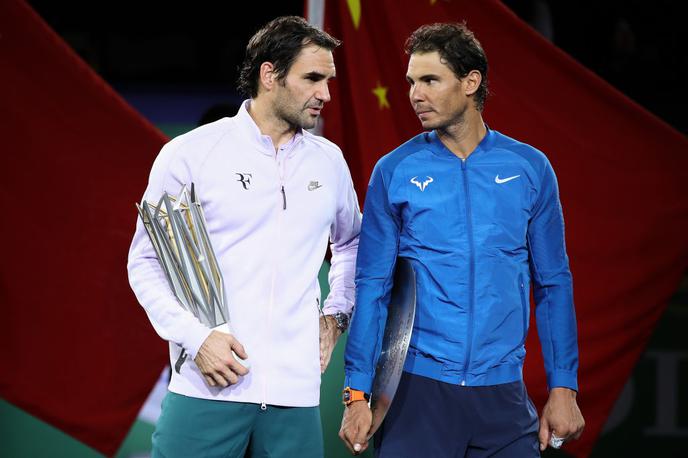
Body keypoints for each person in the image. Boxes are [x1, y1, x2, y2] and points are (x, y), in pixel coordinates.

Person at [339, 22, 584, 457]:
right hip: (417, 396)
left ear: (471, 82)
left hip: (504, 400)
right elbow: (372, 288)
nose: (416, 94)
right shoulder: (393, 171)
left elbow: (554, 284)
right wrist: (356, 393)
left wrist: (563, 385)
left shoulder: (531, 168)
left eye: (430, 80)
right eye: (412, 81)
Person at [128, 16, 361, 458]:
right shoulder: (190, 153)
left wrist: (336, 317)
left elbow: (351, 244)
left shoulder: (329, 162)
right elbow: (145, 262)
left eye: (328, 80)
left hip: (296, 394)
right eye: (312, 78)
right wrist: (196, 340)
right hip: (208, 386)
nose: (325, 94)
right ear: (269, 74)